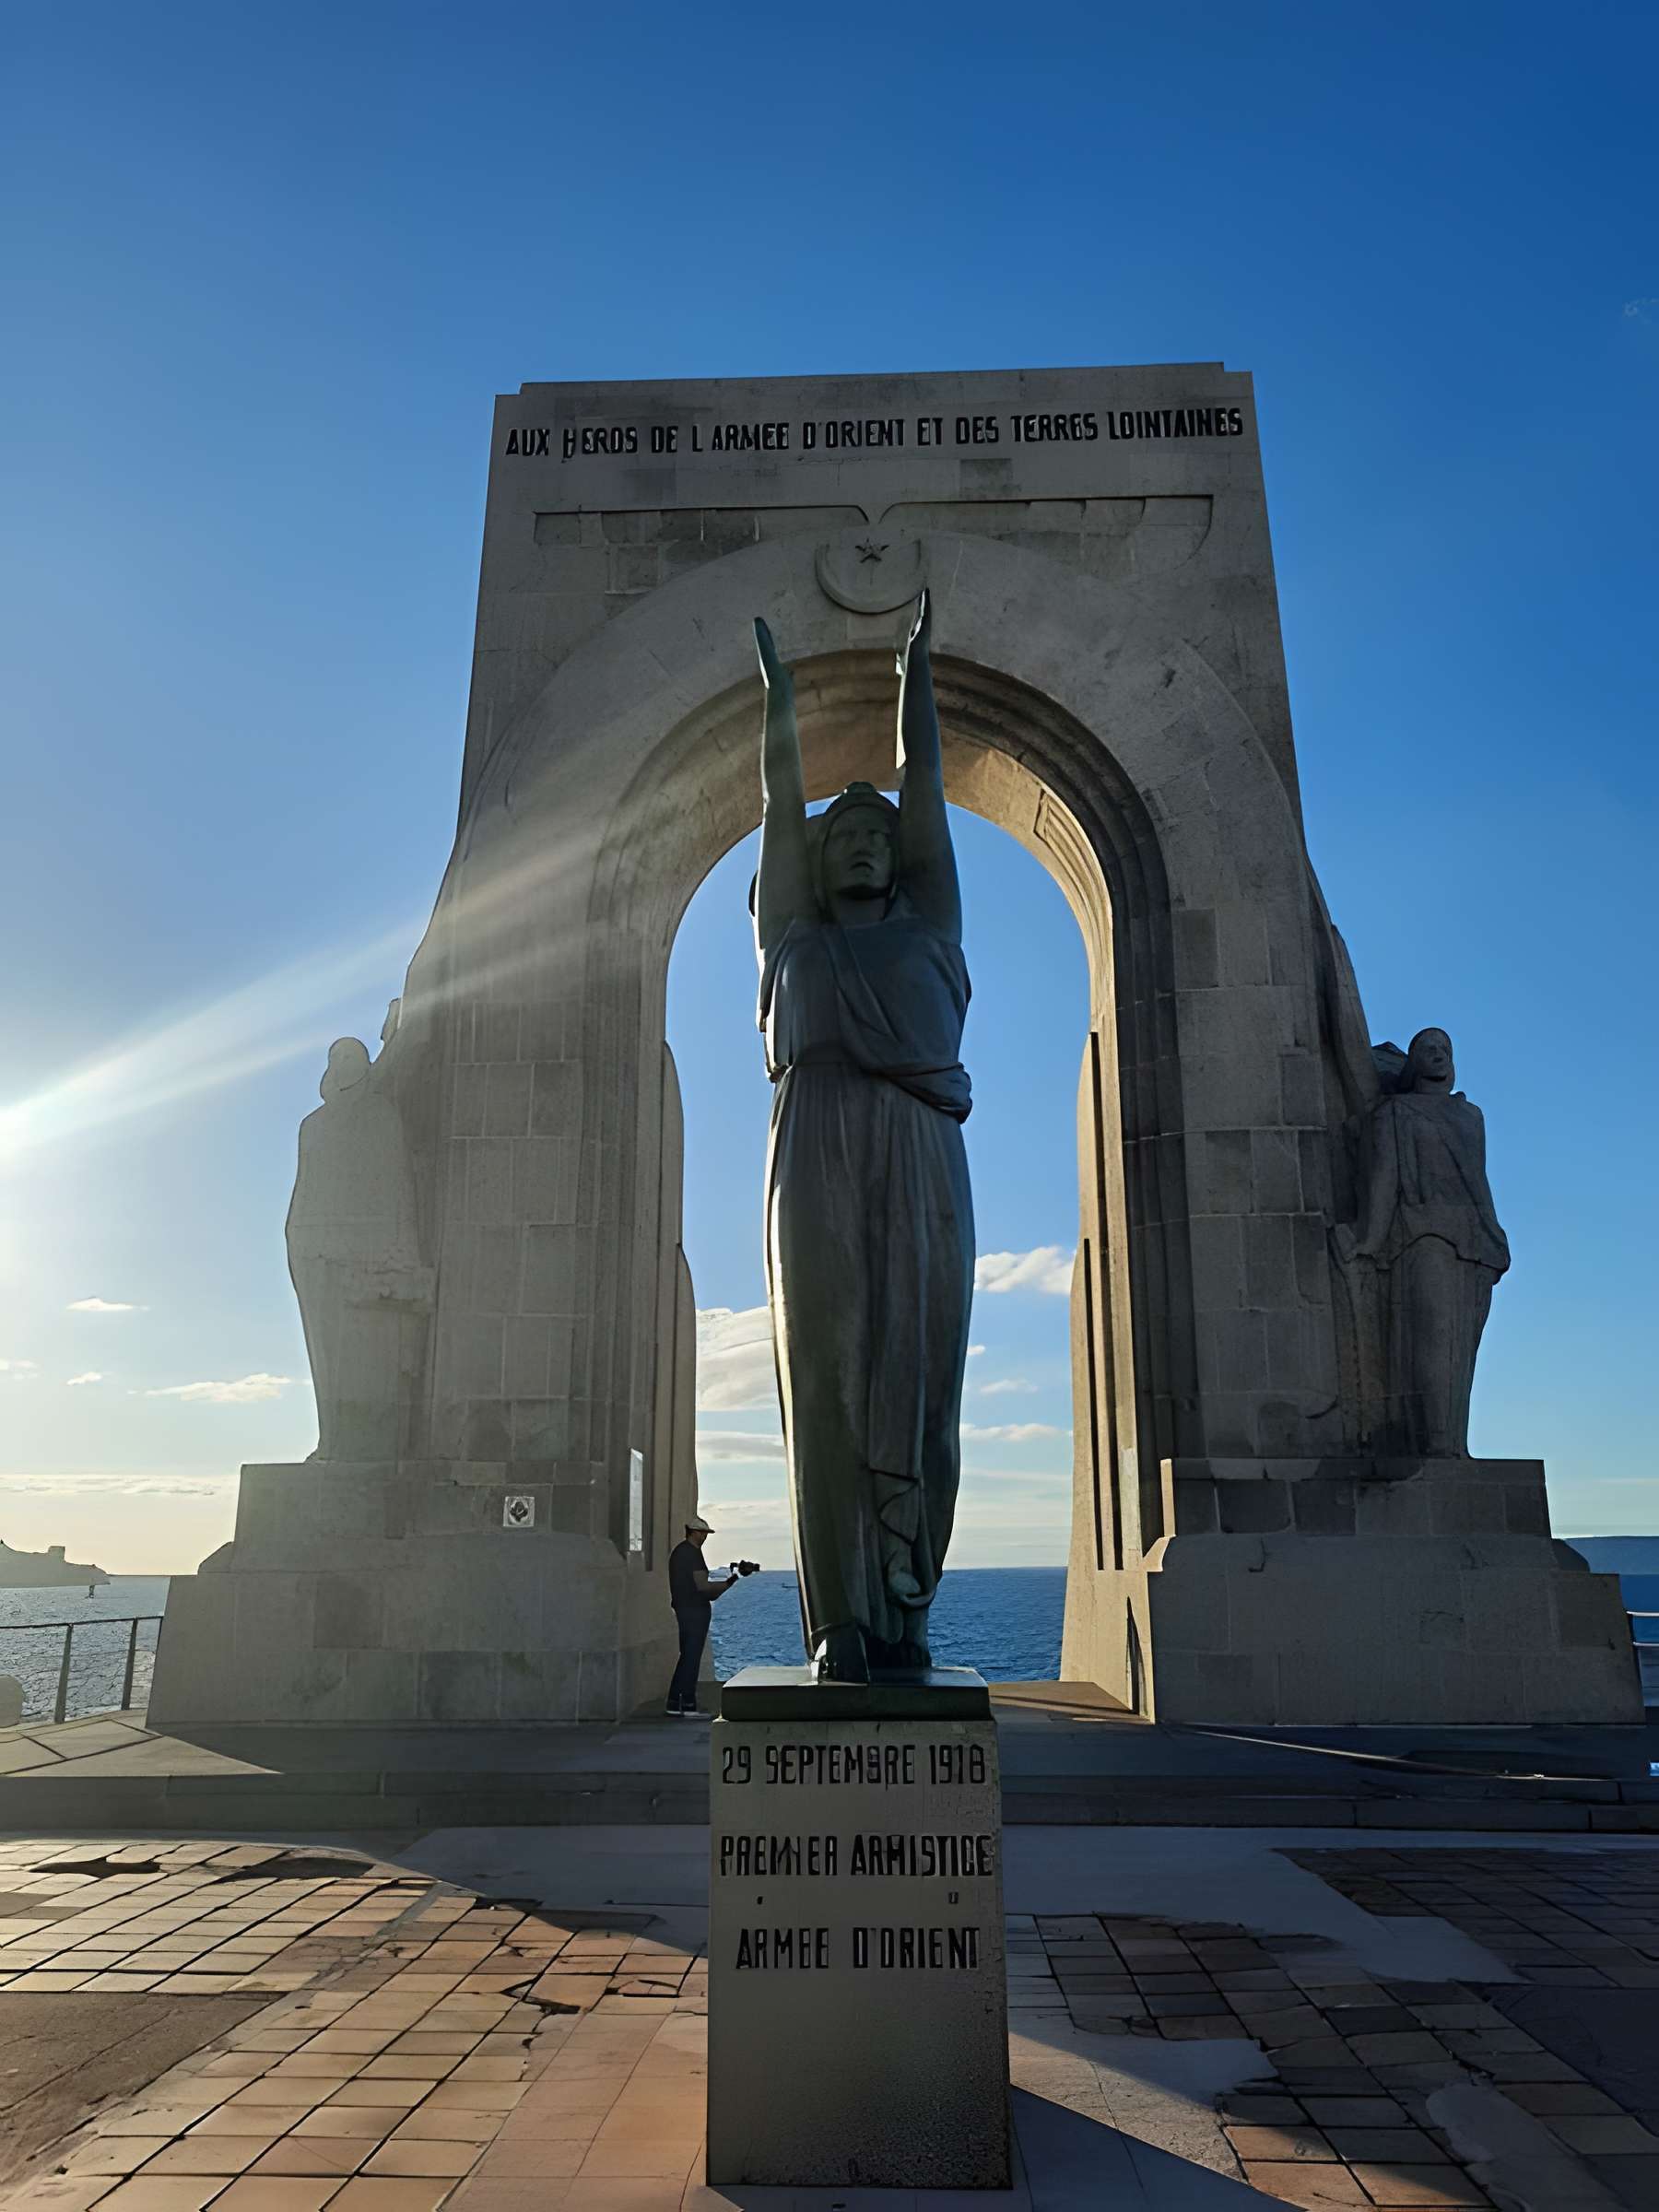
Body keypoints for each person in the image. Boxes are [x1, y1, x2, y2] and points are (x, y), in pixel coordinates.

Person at [753, 590, 974, 1684]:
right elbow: (775, 798)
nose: (856, 843)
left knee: (922, 1380)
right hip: (817, 1146)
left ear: (899, 857)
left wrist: (915, 677)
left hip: (922, 1149)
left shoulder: (931, 924)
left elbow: (926, 785)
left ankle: (908, 1602)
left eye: (872, 833)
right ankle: (841, 1616)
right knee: (827, 1379)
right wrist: (778, 707)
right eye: (836, 833)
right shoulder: (789, 934)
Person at [1335, 1026, 1510, 1456]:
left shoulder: (1471, 1116)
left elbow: (1478, 1181)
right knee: (1432, 1339)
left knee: (1462, 1350)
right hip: (1421, 1233)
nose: (1438, 1054)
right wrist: (1368, 1240)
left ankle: (1454, 1446)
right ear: (1412, 1062)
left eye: (1444, 1048)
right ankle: (1432, 1445)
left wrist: (1494, 1235)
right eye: (1427, 1048)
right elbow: (1384, 1180)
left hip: (1474, 1240)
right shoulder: (1395, 1114)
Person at [665, 1515, 736, 1718]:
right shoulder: (692, 1554)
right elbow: (704, 1588)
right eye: (703, 1533)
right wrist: (729, 1583)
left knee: (687, 1656)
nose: (705, 1537)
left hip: (684, 1609)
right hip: (694, 1611)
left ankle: (673, 1702)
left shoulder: (679, 1552)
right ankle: (688, 1704)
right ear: (693, 1532)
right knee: (692, 1657)